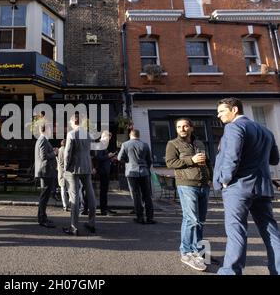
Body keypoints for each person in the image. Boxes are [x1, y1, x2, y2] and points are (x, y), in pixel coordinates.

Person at [214, 97, 280, 275]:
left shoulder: (234, 127)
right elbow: (274, 159)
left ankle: (230, 271)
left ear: (234, 110)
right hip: (263, 188)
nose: (218, 115)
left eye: (221, 111)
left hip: (238, 187)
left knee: (236, 231)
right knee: (271, 232)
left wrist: (225, 179)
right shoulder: (266, 131)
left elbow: (232, 157)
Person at [165, 118, 212, 272]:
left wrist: (210, 178)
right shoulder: (173, 144)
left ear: (191, 127)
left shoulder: (199, 143)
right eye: (179, 126)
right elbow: (170, 163)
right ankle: (186, 252)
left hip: (203, 185)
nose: (182, 128)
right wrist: (190, 159)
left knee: (201, 220)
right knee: (191, 219)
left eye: (185, 126)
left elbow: (207, 161)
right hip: (186, 184)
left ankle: (199, 252)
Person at [63, 113, 97, 236]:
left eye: (70, 123)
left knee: (74, 196)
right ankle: (92, 223)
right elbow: (89, 151)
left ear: (73, 122)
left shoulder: (71, 134)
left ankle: (74, 227)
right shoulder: (88, 134)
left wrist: (65, 168)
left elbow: (67, 154)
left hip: (74, 168)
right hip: (87, 166)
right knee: (91, 194)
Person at [118, 129, 154, 224]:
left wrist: (128, 162)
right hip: (144, 171)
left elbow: (119, 158)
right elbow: (150, 160)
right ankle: (150, 218)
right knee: (147, 195)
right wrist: (146, 167)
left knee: (136, 195)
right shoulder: (145, 145)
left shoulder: (125, 144)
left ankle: (140, 217)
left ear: (130, 135)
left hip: (131, 171)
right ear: (139, 135)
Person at [34, 122, 58, 228]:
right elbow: (43, 156)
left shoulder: (42, 140)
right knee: (44, 196)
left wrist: (52, 151)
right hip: (45, 171)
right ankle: (42, 218)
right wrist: (54, 153)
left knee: (45, 195)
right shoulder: (43, 140)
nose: (51, 131)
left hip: (46, 171)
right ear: (46, 130)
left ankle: (42, 216)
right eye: (50, 129)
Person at [94, 130, 116, 216]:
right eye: (108, 137)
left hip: (105, 171)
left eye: (110, 137)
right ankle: (103, 210)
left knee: (104, 191)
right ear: (104, 136)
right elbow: (99, 158)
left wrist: (110, 158)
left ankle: (105, 208)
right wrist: (109, 156)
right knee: (103, 191)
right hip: (102, 171)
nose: (109, 139)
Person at [57, 139, 69, 212]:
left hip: (61, 172)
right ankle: (69, 204)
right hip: (66, 171)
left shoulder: (60, 150)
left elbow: (59, 162)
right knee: (69, 189)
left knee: (63, 189)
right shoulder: (65, 150)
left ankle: (65, 205)